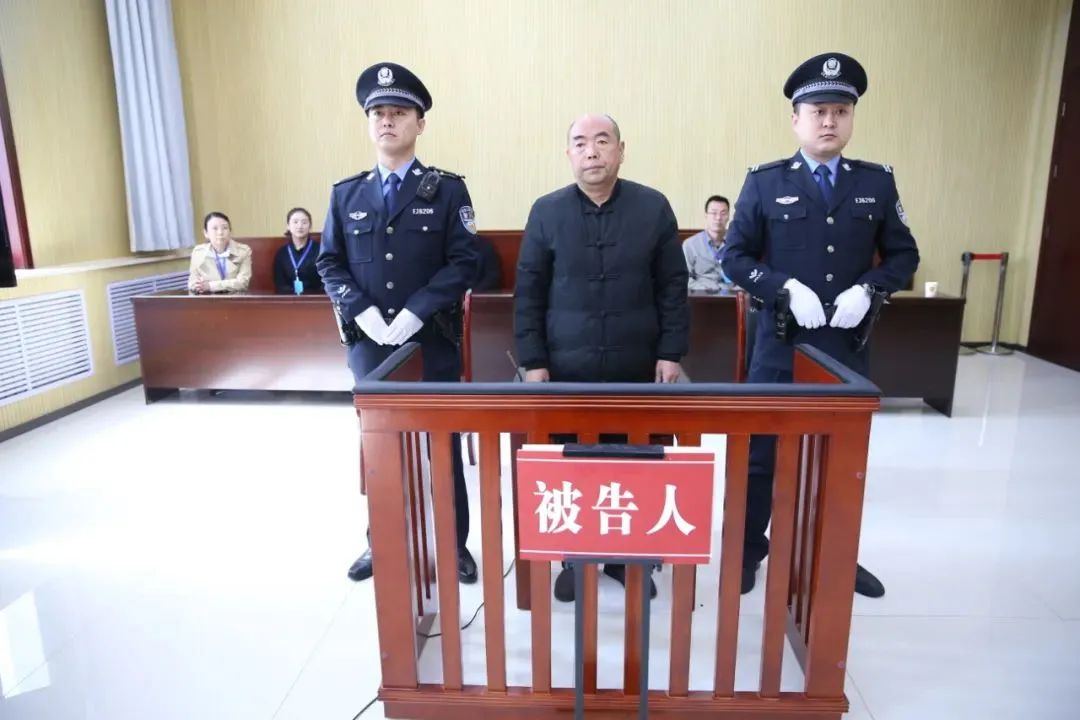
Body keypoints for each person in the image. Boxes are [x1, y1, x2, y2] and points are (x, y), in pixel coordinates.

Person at [722, 53, 920, 598]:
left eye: (840, 111)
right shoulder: (764, 182)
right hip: (779, 345)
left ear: (851, 118)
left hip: (843, 349)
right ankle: (747, 551)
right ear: (796, 120)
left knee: (839, 460)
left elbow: (904, 255)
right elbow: (735, 257)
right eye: (817, 111)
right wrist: (783, 286)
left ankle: (834, 556)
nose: (829, 121)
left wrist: (871, 287)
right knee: (761, 456)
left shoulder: (877, 183)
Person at [514, 113, 690, 602]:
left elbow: (673, 287)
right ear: (568, 154)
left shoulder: (653, 207)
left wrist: (671, 352)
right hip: (567, 371)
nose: (591, 151)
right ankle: (576, 557)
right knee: (575, 465)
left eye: (601, 141)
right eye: (580, 143)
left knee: (635, 463)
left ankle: (627, 558)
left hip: (638, 367)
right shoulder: (546, 211)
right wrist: (533, 361)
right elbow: (529, 292)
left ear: (620, 149)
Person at [316, 62, 479, 585]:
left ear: (420, 123)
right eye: (379, 113)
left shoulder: (448, 190)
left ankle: (453, 544)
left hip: (430, 340)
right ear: (369, 123)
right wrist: (361, 309)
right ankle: (381, 541)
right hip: (370, 345)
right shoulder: (346, 194)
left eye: (399, 112)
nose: (387, 121)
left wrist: (416, 309)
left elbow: (465, 261)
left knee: (440, 444)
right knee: (379, 447)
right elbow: (329, 263)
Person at [188, 211, 252, 293]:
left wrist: (210, 286)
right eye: (215, 228)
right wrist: (198, 286)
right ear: (206, 233)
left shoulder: (243, 251)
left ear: (230, 231)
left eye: (225, 228)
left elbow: (243, 283)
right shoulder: (198, 252)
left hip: (235, 297)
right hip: (208, 298)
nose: (220, 232)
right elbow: (192, 282)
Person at [683, 195, 732, 292]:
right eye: (713, 213)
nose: (718, 218)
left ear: (728, 216)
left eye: (723, 213)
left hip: (732, 294)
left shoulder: (737, 243)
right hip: (702, 295)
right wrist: (704, 290)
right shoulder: (690, 245)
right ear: (706, 215)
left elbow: (745, 273)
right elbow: (684, 277)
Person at [273, 207, 323, 295]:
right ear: (288, 226)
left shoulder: (321, 251)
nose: (300, 226)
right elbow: (280, 283)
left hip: (316, 298)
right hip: (288, 299)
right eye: (295, 222)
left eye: (304, 222)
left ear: (310, 226)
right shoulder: (282, 253)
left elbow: (326, 281)